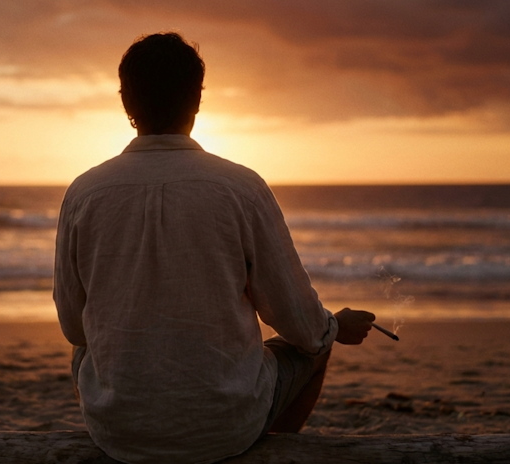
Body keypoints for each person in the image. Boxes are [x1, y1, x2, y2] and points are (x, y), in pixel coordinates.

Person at [54, 32, 375, 464]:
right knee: (316, 347)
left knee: (84, 351)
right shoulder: (241, 188)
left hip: (119, 433)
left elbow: (74, 327)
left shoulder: (83, 193)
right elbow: (302, 323)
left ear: (126, 101)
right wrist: (335, 327)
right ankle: (258, 452)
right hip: (225, 428)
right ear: (198, 99)